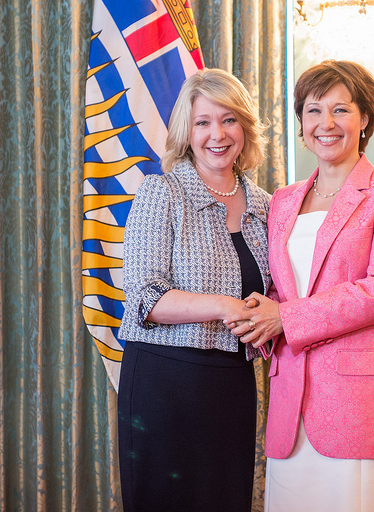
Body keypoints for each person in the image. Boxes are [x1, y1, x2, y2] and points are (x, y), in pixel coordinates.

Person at [224, 60, 374, 511]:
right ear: (301, 121)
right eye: (313, 111)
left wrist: (284, 317)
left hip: (362, 405)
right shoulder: (283, 200)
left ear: (365, 118)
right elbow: (283, 287)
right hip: (290, 405)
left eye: (341, 110)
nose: (325, 124)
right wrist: (263, 311)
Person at [117, 68, 271, 512]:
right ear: (187, 131)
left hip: (233, 386)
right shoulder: (160, 193)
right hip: (164, 382)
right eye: (203, 122)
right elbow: (144, 296)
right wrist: (225, 306)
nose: (217, 134)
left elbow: (277, 289)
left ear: (244, 127)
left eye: (229, 120)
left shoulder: (267, 204)